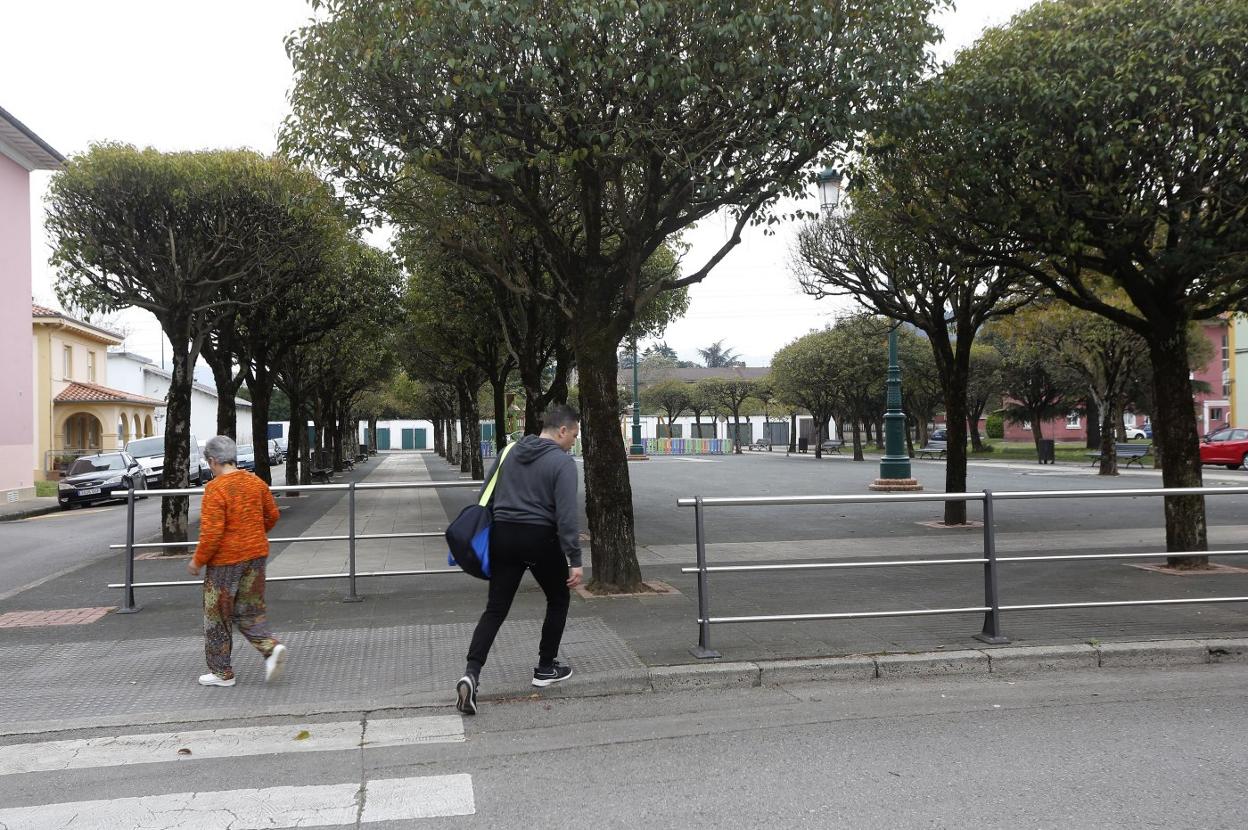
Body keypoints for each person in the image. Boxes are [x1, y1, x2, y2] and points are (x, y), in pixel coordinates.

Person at [456, 405, 583, 715]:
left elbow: (486, 494)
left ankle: (471, 673)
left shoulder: (508, 451)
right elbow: (566, 516)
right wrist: (574, 558)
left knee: (496, 608)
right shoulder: (562, 463)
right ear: (562, 431)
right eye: (575, 436)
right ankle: (545, 667)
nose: (574, 443)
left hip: (503, 536)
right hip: (540, 539)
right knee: (558, 598)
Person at [187, 435, 287, 687]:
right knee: (249, 611)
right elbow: (272, 515)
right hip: (256, 556)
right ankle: (270, 648)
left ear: (212, 461)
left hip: (225, 563)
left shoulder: (215, 489)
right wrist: (254, 533)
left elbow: (212, 534)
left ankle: (222, 673)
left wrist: (198, 561)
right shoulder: (256, 483)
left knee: (217, 616)